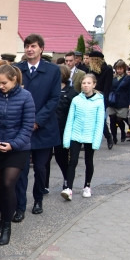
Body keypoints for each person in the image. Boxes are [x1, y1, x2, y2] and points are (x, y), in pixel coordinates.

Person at [14, 34, 61, 219]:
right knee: (21, 169)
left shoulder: (52, 71)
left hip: (44, 128)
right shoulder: (17, 69)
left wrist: (37, 121)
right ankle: (20, 206)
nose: (29, 49)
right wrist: (26, 122)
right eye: (27, 46)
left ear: (41, 48)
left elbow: (54, 99)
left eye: (33, 46)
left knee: (41, 168)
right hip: (21, 128)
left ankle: (38, 199)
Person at [0, 65, 35, 246]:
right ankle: (3, 216)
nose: (1, 86)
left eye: (4, 83)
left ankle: (7, 225)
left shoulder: (26, 97)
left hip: (18, 148)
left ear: (14, 79)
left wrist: (13, 145)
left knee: (8, 183)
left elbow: (27, 125)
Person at [61, 73, 105, 200]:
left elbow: (99, 122)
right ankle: (68, 188)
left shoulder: (99, 100)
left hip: (90, 135)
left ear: (94, 85)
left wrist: (97, 141)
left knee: (88, 161)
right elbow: (70, 119)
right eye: (84, 83)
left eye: (89, 83)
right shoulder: (76, 100)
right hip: (76, 134)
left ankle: (87, 186)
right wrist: (66, 139)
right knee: (72, 161)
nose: (86, 85)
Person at [52, 64, 78, 193]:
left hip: (64, 130)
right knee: (45, 160)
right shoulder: (51, 89)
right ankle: (44, 185)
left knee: (61, 157)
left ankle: (67, 179)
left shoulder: (72, 92)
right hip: (50, 128)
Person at [107, 60, 130, 144]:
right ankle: (114, 136)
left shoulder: (128, 78)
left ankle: (122, 131)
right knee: (112, 119)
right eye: (117, 68)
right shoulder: (112, 77)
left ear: (124, 69)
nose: (119, 70)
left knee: (119, 119)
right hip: (112, 101)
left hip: (123, 101)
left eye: (120, 68)